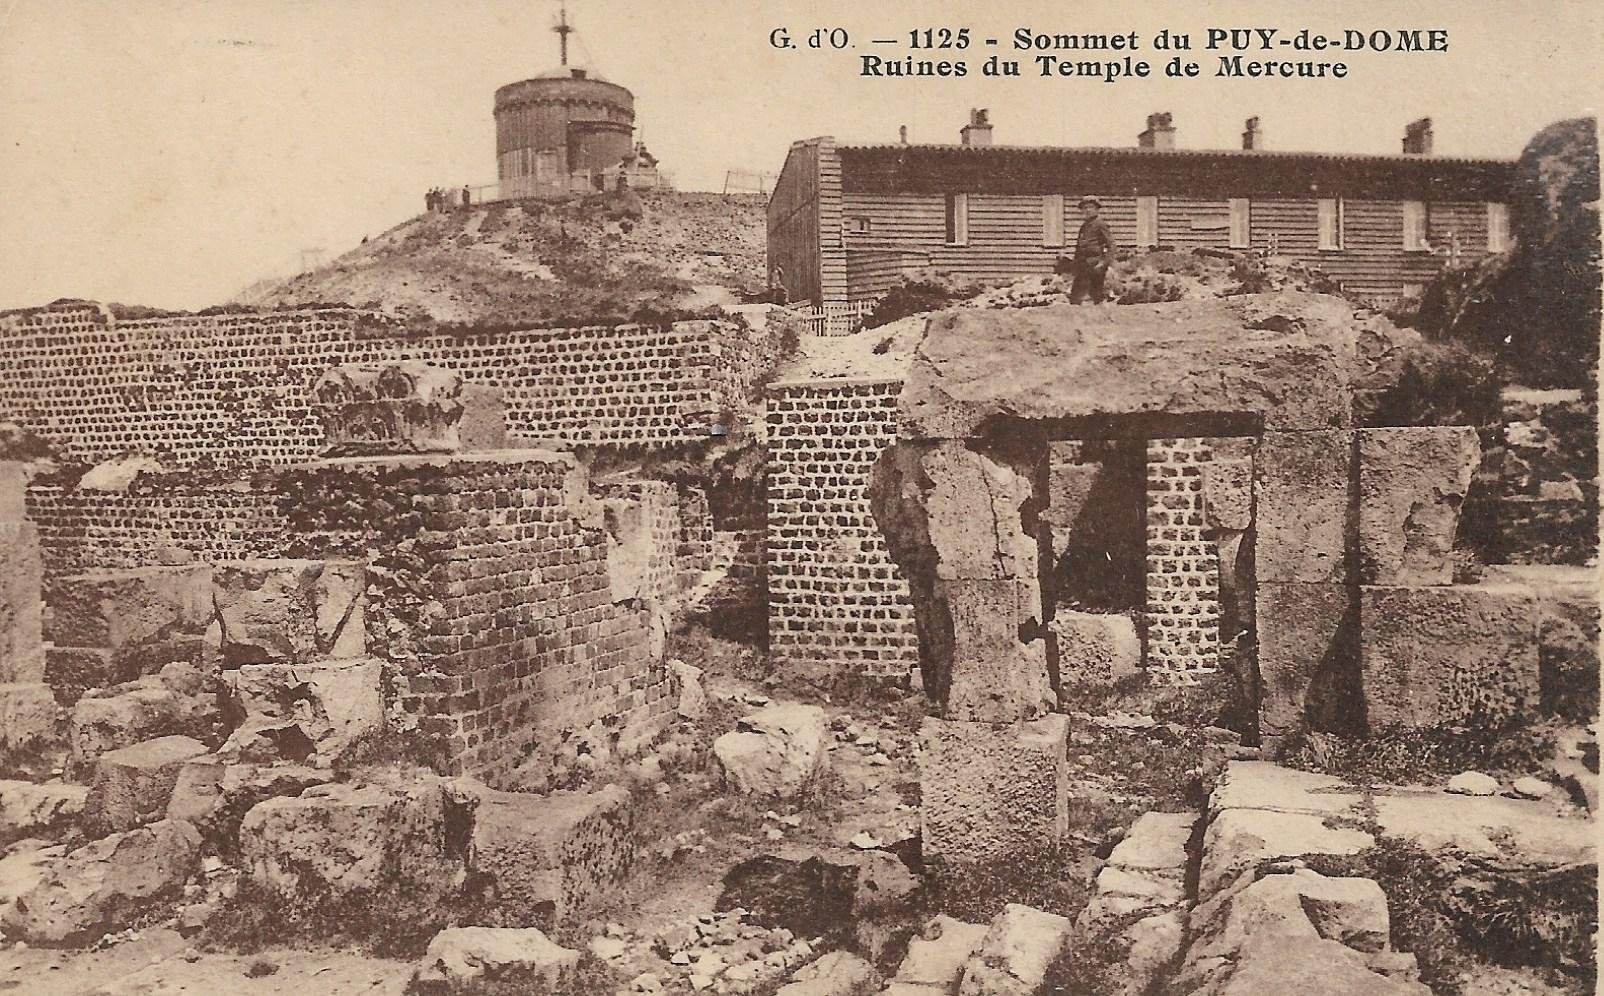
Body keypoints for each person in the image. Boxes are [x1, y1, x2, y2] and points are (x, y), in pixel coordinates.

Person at [1070, 195, 1115, 304]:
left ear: (1096, 209)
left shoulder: (1100, 224)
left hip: (1095, 264)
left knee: (1095, 295)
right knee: (1076, 295)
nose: (1088, 210)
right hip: (1083, 264)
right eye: (1085, 208)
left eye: (1091, 207)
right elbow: (1079, 247)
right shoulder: (1084, 226)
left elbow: (1112, 245)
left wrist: (1104, 263)